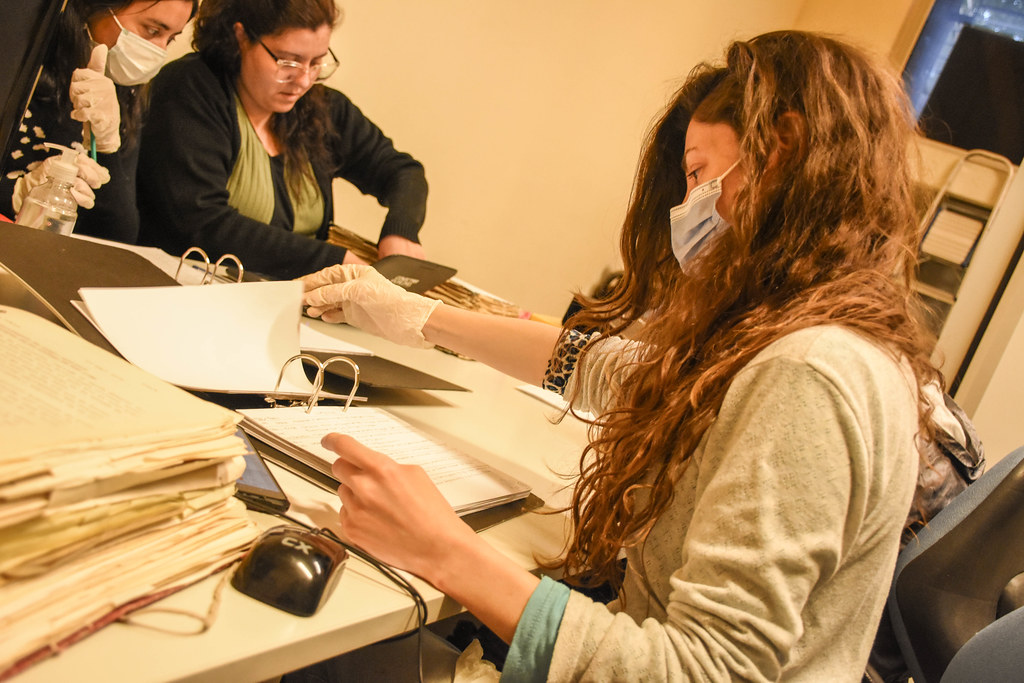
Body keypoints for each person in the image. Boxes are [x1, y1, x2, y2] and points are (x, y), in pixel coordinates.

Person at [302, 31, 948, 680]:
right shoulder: (807, 336)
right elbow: (606, 366)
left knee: (328, 659)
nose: (685, 204)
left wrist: (446, 550)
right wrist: (420, 317)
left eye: (698, 173)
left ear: (781, 150)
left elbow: (704, 670)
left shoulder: (806, 375)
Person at [135, 0, 428, 281]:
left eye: (316, 63)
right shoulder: (190, 88)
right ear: (241, 37)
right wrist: (334, 261)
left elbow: (403, 172)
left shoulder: (323, 109)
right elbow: (201, 222)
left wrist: (401, 230)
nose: (303, 80)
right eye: (289, 61)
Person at [0, 0, 197, 241]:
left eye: (171, 38)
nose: (160, 50)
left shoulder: (125, 91)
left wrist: (107, 148)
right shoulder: (20, 57)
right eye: (153, 31)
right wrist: (16, 194)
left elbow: (118, 235)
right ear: (96, 7)